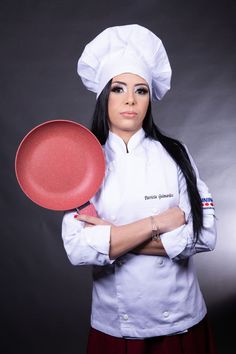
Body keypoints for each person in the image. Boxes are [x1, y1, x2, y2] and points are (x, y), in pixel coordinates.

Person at [62, 24, 218, 354]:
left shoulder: (177, 154)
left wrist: (114, 238)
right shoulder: (85, 163)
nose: (130, 100)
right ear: (104, 95)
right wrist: (158, 223)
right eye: (118, 88)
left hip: (182, 320)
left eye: (141, 90)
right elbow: (78, 248)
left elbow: (204, 237)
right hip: (117, 327)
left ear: (150, 98)